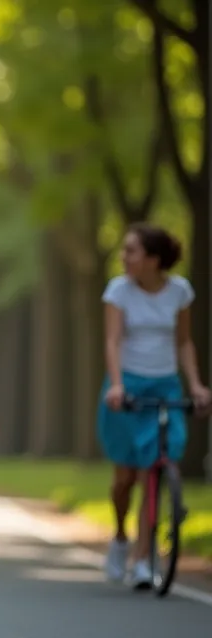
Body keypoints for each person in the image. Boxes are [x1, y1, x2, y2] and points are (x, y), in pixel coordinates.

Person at [97, 223, 210, 588]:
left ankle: (143, 559)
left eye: (131, 251)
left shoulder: (180, 291)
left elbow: (184, 343)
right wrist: (116, 385)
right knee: (125, 477)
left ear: (153, 259)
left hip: (165, 384)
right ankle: (119, 537)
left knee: (154, 471)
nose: (124, 257)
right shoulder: (118, 290)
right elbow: (113, 341)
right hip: (127, 384)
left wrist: (195, 385)